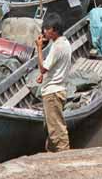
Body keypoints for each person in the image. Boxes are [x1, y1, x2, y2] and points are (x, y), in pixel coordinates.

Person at [36, 14, 71, 153]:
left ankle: (65, 158)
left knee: (58, 132)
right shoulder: (65, 43)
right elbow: (53, 68)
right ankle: (51, 157)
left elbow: (43, 67)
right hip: (58, 89)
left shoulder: (57, 46)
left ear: (55, 30)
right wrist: (42, 76)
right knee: (53, 131)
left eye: (47, 29)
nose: (44, 31)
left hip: (52, 93)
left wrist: (39, 48)